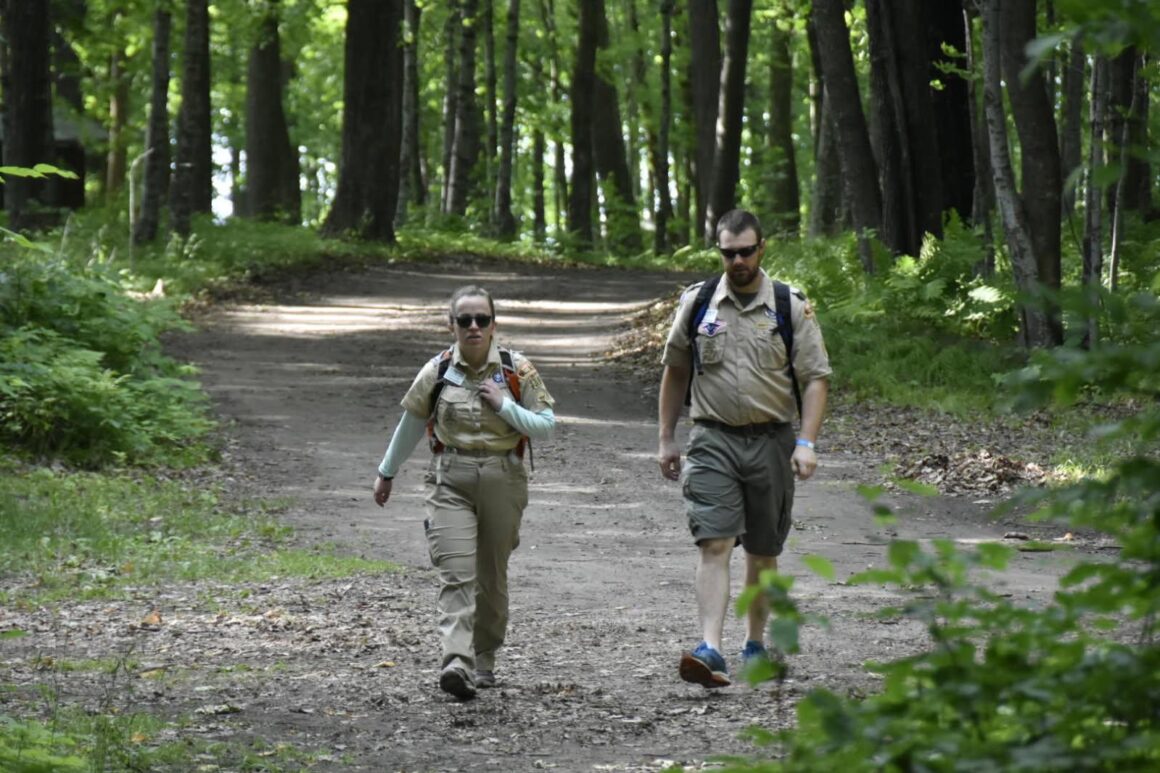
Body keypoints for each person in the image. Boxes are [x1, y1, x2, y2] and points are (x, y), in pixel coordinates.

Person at [656, 209, 831, 688]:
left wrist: (806, 442)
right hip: (712, 437)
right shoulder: (697, 304)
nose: (737, 261)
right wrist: (667, 438)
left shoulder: (788, 304)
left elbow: (815, 378)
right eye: (728, 253)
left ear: (762, 248)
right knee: (714, 542)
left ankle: (755, 644)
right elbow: (675, 370)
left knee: (762, 550)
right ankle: (710, 648)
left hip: (772, 440)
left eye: (745, 251)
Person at [373, 285, 556, 700]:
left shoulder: (517, 369)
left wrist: (504, 406)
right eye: (464, 320)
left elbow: (546, 424)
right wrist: (387, 472)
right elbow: (410, 423)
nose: (474, 327)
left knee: (491, 578)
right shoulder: (437, 370)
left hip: (503, 479)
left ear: (494, 324)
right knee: (456, 574)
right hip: (449, 479)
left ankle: (485, 658)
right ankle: (457, 662)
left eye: (482, 320)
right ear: (451, 324)